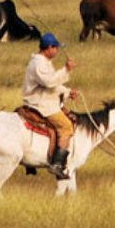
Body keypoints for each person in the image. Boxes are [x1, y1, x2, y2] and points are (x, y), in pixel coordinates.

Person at [22, 32, 78, 178]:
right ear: (49, 48)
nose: (57, 51)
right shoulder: (38, 64)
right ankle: (57, 164)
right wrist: (66, 69)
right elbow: (49, 82)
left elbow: (52, 85)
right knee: (66, 127)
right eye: (56, 48)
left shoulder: (44, 63)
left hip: (46, 99)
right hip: (42, 103)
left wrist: (67, 92)